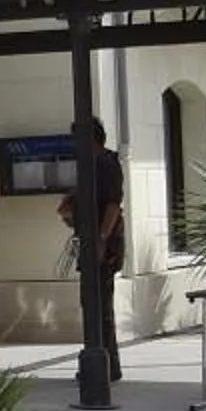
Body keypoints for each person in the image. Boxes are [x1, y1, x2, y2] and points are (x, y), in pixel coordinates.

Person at [56, 118, 127, 383]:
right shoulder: (90, 166)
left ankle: (105, 364)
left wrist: (100, 238)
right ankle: (104, 362)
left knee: (99, 304)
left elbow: (112, 204)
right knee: (92, 302)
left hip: (103, 244)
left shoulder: (107, 164)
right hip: (91, 240)